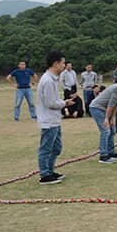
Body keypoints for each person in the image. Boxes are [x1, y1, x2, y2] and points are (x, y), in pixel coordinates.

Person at [35, 51, 76, 185]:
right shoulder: (47, 80)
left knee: (56, 148)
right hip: (48, 121)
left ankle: (50, 170)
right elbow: (50, 103)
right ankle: (44, 175)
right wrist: (65, 103)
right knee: (46, 149)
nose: (64, 66)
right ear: (56, 63)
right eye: (63, 63)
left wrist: (63, 102)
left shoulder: (53, 79)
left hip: (55, 119)